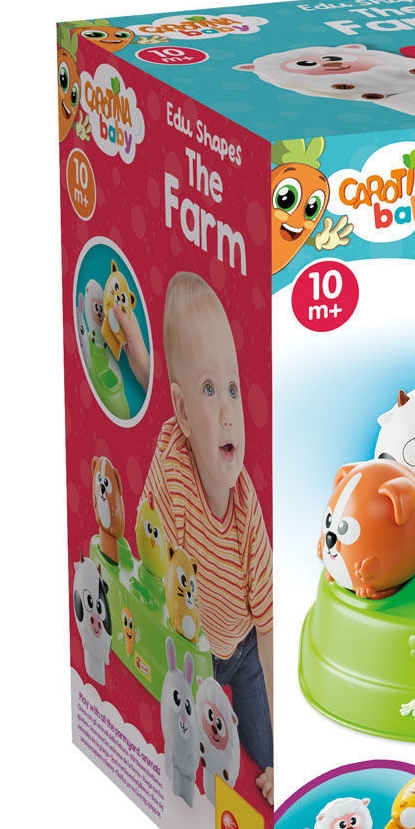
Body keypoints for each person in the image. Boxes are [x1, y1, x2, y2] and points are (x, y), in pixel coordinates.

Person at [147, 273, 274, 802]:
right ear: (181, 412)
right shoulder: (173, 475)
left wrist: (281, 760)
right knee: (190, 752)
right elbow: (152, 557)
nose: (227, 412)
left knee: (267, 750)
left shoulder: (246, 511)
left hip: (244, 650)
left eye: (233, 389)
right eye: (208, 390)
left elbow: (270, 631)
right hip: (195, 650)